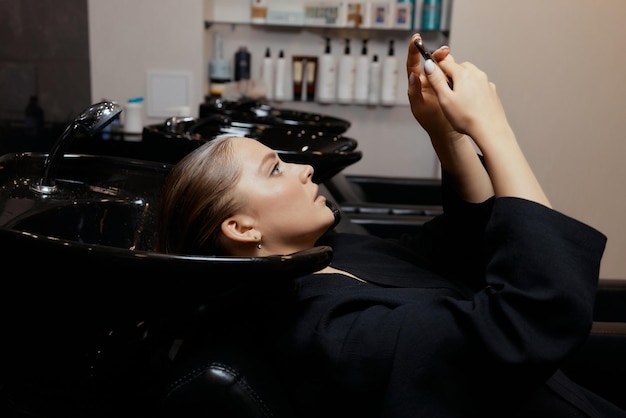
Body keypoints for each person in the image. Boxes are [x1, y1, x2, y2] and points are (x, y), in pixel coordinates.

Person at [156, 33, 625, 417]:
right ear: (241, 228)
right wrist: (494, 131)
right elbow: (530, 319)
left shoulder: (328, 258)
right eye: (275, 169)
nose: (305, 170)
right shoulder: (333, 336)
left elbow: (464, 252)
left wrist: (448, 136)